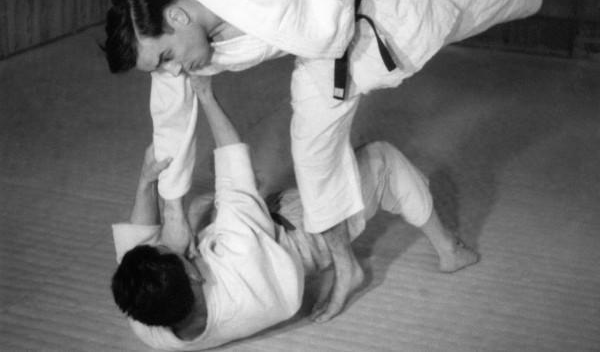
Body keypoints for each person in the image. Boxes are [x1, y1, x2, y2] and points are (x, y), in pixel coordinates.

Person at [103, 0, 600, 322]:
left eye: (164, 58)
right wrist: (171, 208)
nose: (169, 72)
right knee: (313, 153)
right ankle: (346, 266)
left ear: (176, 17)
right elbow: (170, 123)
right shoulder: (186, 51)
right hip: (323, 56)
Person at [111, 76, 479, 350]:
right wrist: (206, 94)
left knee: (199, 205)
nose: (167, 243)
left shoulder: (153, 327)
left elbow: (138, 241)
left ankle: (253, 200)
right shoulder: (238, 256)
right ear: (192, 272)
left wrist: (147, 182)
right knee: (381, 157)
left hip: (267, 246)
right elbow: (232, 154)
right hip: (305, 236)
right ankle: (449, 251)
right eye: (172, 251)